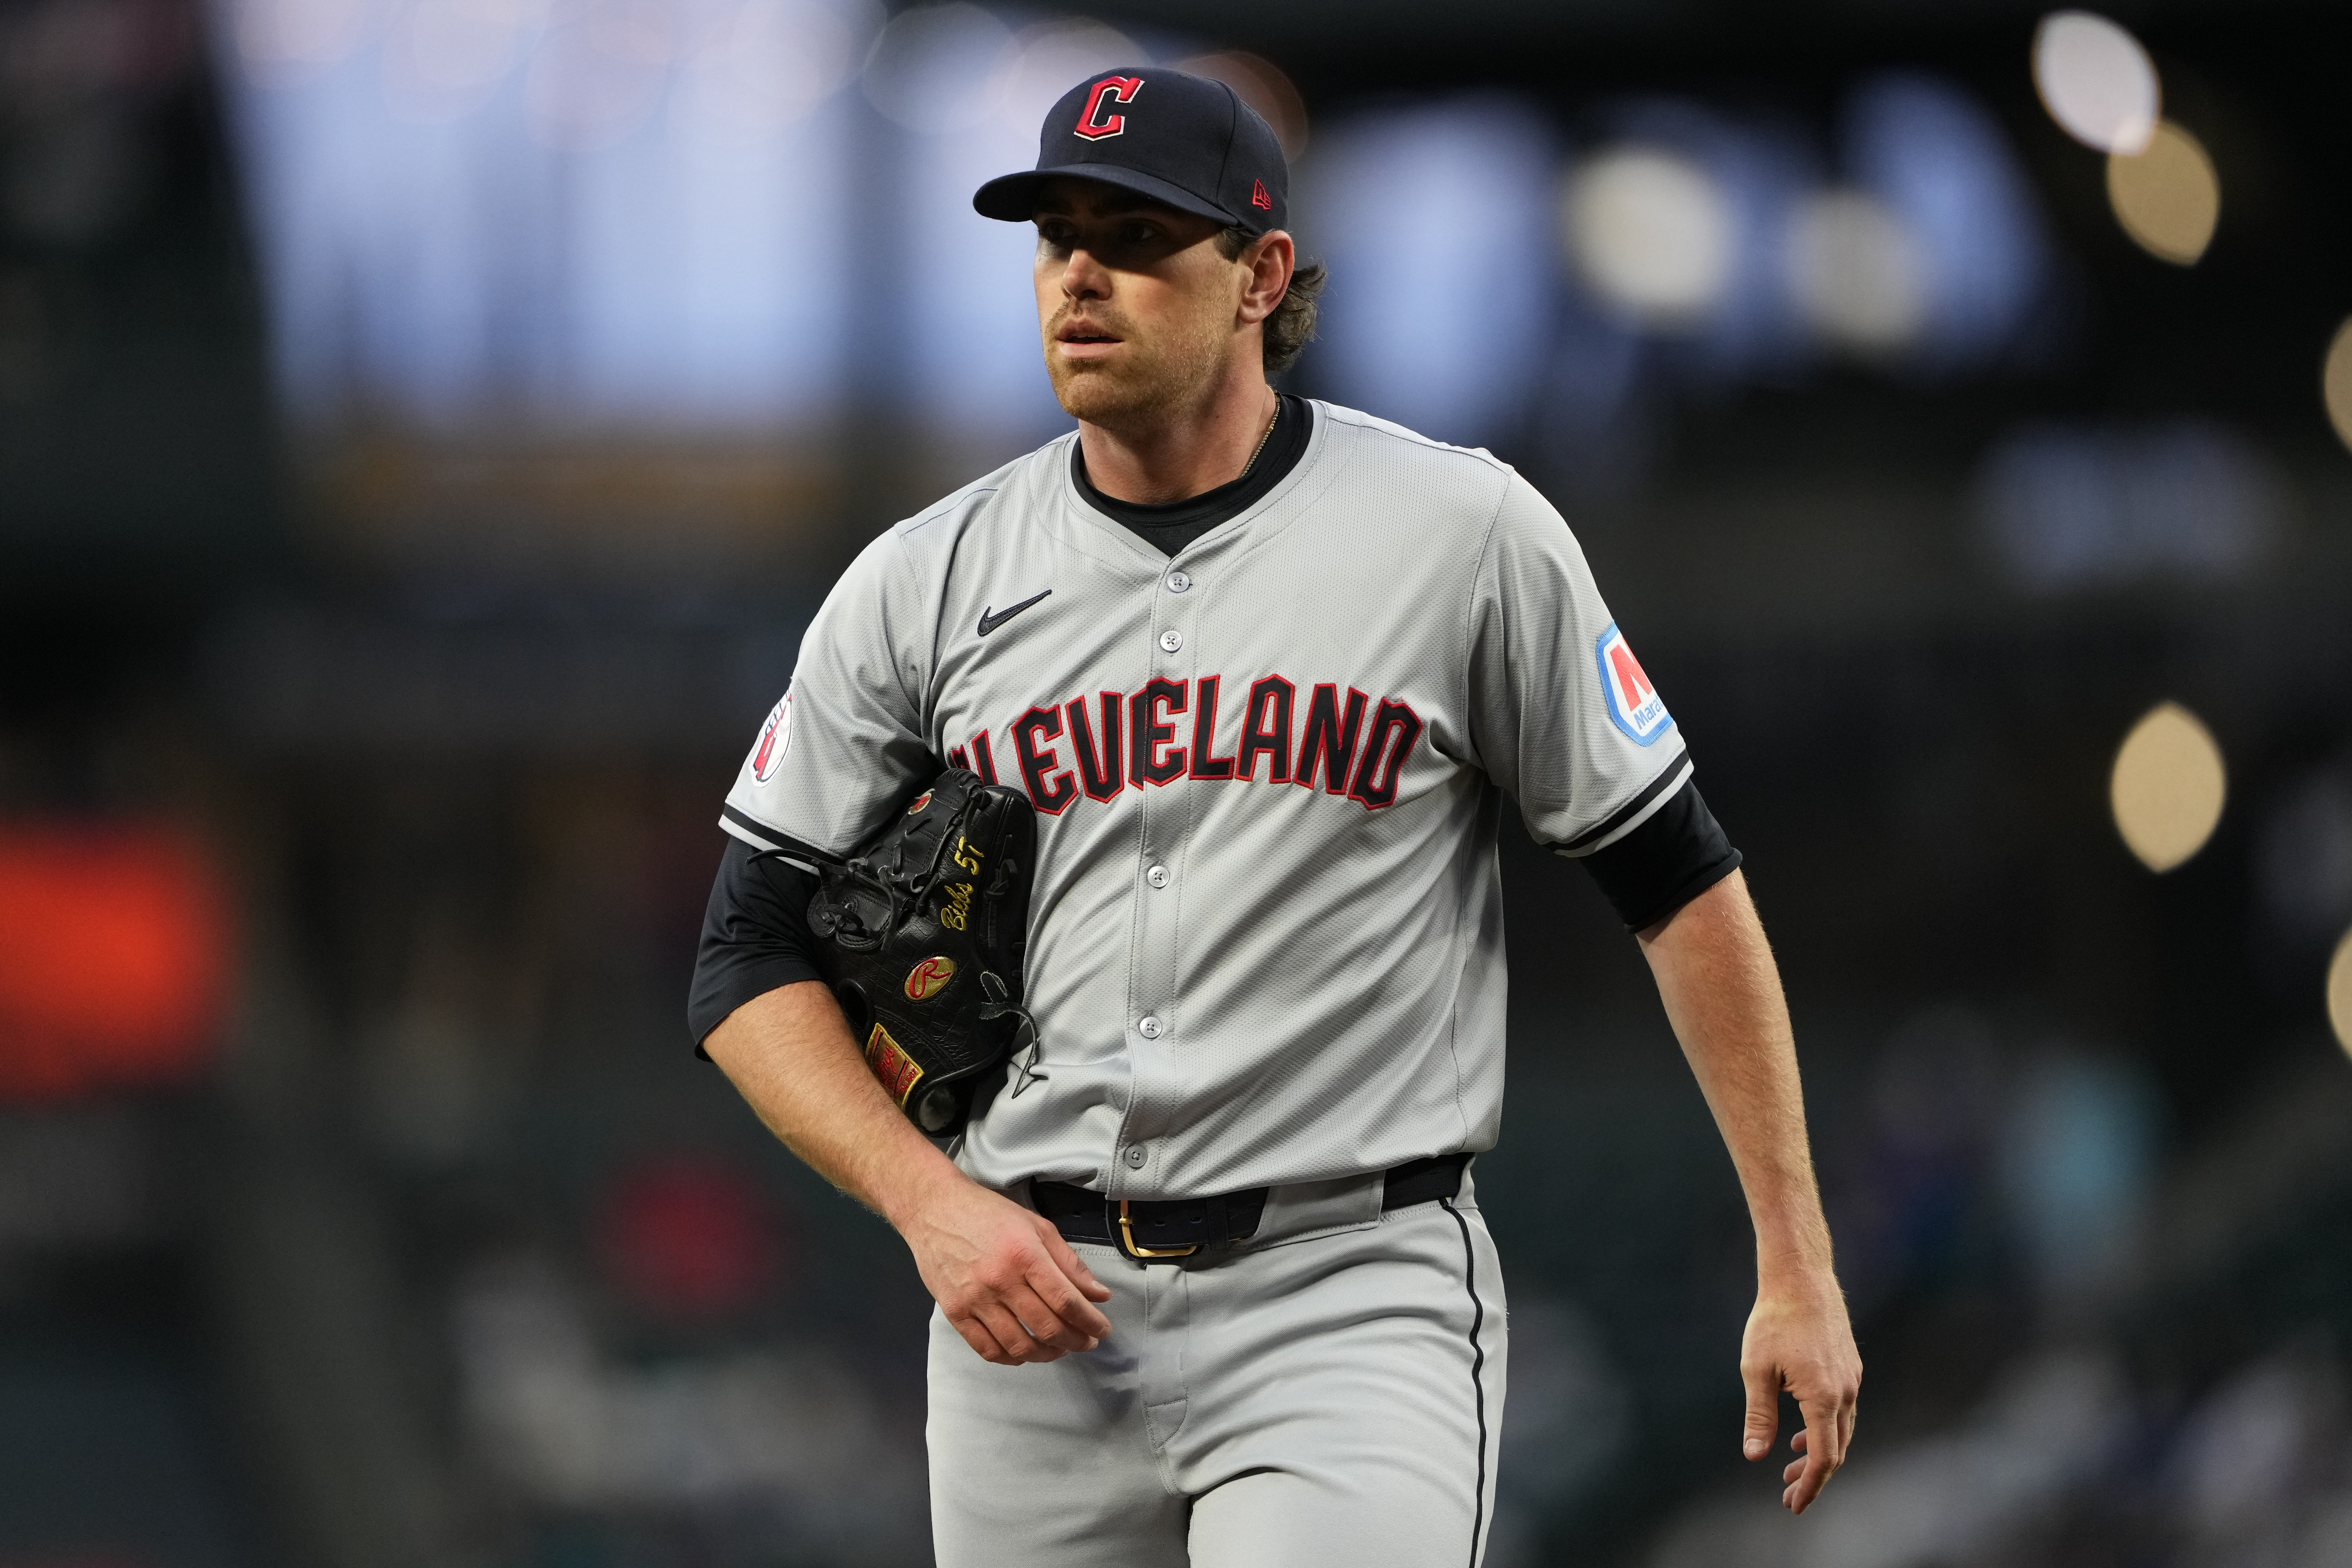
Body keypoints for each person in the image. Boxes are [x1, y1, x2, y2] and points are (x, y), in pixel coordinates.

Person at [689, 66, 1859, 1568]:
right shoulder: (924, 580)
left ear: (1260, 275)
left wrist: (1794, 1251)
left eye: (1135, 235)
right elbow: (745, 951)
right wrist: (927, 1205)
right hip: (1031, 1307)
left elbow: (1679, 881)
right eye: (1055, 237)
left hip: (1346, 1291)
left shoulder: (1460, 535)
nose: (1081, 275)